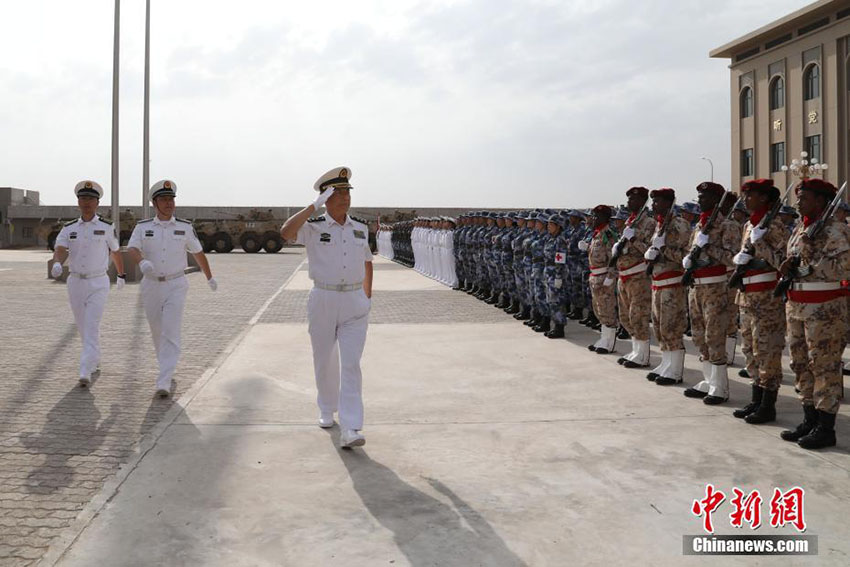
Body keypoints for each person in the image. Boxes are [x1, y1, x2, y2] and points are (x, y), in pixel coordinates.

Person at [280, 166, 373, 449]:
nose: (345, 198)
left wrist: (367, 296)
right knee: (324, 359)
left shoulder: (360, 228)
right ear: (326, 197)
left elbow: (367, 261)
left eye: (347, 192)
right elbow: (285, 233)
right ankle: (326, 407)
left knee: (351, 364)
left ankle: (351, 427)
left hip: (354, 302)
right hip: (323, 298)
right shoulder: (313, 227)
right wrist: (313, 206)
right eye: (338, 193)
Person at [778, 178, 850, 449]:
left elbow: (844, 268)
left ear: (820, 201)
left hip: (824, 307)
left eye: (804, 198)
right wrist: (788, 266)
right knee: (800, 363)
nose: (798, 202)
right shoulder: (801, 227)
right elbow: (797, 261)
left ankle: (825, 427)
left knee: (824, 365)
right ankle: (809, 419)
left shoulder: (836, 229)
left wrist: (811, 258)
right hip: (797, 304)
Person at [128, 180, 217, 398]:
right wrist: (141, 262)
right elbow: (132, 248)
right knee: (157, 329)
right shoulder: (143, 227)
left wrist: (209, 277)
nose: (169, 203)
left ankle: (164, 379)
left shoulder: (184, 227)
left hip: (176, 284)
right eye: (164, 199)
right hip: (151, 285)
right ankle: (165, 365)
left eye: (171, 199)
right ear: (154, 203)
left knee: (170, 329)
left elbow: (198, 253)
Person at [51, 180, 125, 387]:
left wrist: (121, 274)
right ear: (78, 202)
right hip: (75, 282)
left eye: (91, 199)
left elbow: (115, 251)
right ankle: (94, 358)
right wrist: (57, 262)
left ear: (97, 203)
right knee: (83, 325)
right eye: (83, 198)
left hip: (98, 281)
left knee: (91, 324)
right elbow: (60, 248)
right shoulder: (69, 228)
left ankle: (85, 369)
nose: (86, 202)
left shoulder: (106, 227)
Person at [729, 179, 786, 424]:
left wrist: (760, 242)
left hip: (767, 298)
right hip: (747, 296)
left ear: (763, 198)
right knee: (750, 350)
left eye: (749, 195)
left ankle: (767, 406)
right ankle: (756, 399)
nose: (745, 199)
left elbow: (784, 262)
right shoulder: (749, 225)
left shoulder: (775, 225)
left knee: (767, 351)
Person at [681, 182, 738, 405]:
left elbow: (732, 258)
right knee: (698, 336)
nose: (700, 200)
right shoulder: (699, 225)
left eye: (704, 197)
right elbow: (691, 250)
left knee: (714, 337)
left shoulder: (728, 225)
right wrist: (688, 259)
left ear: (717, 200)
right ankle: (708, 380)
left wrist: (708, 247)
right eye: (699, 196)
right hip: (696, 286)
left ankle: (719, 387)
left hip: (715, 287)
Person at [644, 188, 690, 385]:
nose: (654, 205)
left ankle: (675, 371)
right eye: (653, 201)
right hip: (658, 283)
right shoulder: (659, 225)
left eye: (658, 201)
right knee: (660, 327)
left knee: (672, 327)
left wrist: (664, 248)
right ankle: (666, 363)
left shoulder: (680, 225)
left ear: (669, 203)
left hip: (672, 283)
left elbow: (686, 257)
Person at [614, 187, 655, 368]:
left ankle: (643, 356)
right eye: (629, 199)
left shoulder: (649, 223)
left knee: (638, 317)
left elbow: (650, 251)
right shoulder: (629, 222)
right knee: (625, 317)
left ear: (642, 201)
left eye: (633, 199)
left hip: (638, 276)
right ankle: (635, 350)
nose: (629, 202)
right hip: (624, 275)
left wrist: (633, 239)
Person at [582, 205, 619, 354]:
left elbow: (613, 258)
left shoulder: (608, 235)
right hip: (595, 277)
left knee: (607, 310)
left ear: (605, 218)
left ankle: (609, 343)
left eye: (597, 216)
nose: (593, 219)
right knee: (599, 309)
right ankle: (603, 339)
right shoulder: (596, 234)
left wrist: (610, 277)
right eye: (593, 216)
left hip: (604, 277)